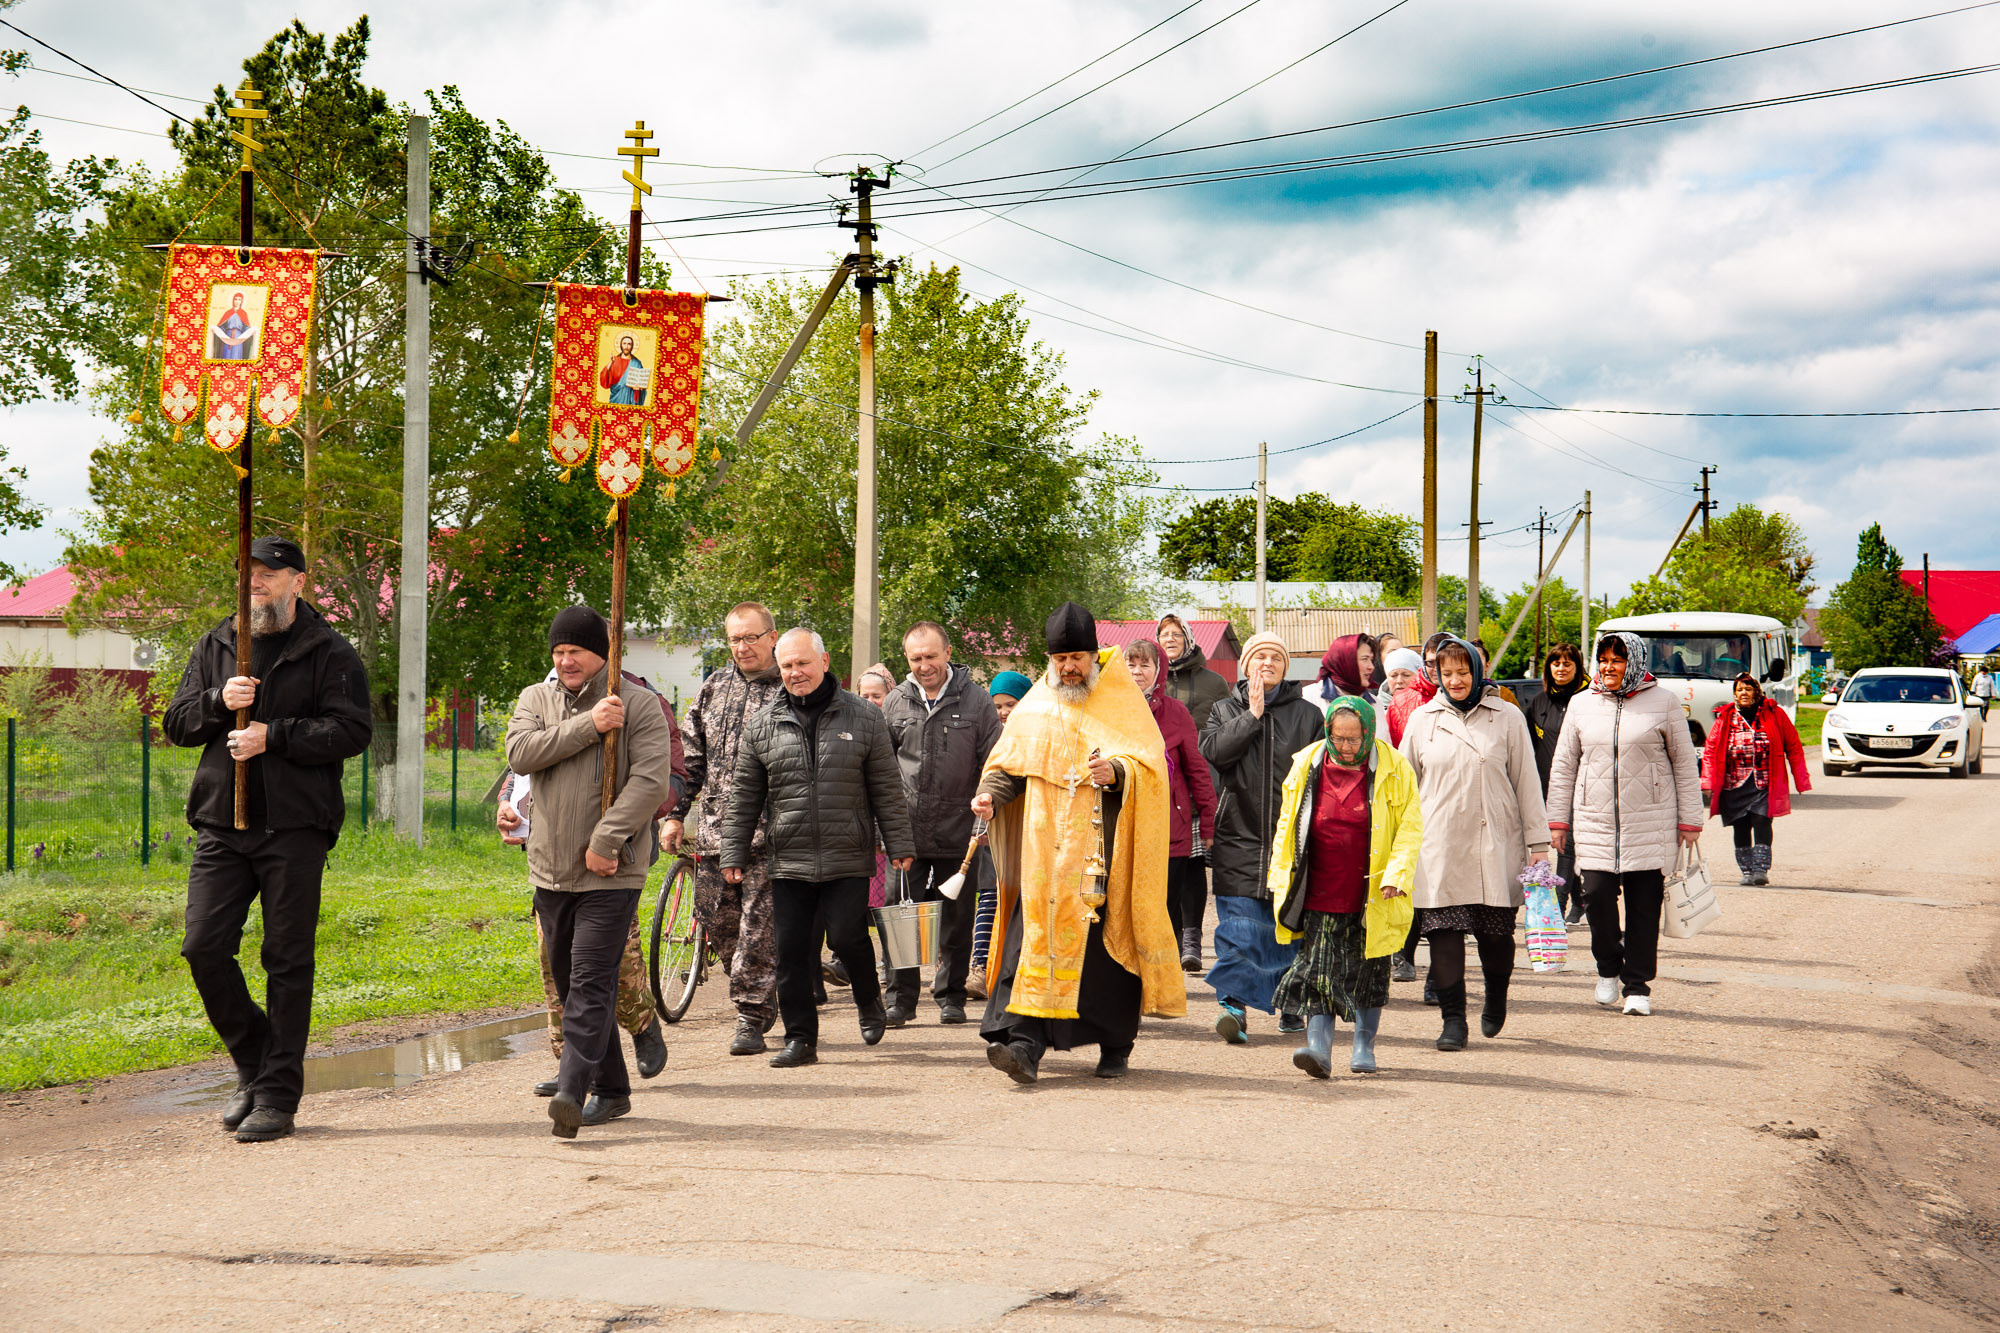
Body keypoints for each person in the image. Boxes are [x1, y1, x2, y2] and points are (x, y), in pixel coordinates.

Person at [163, 535, 372, 1143]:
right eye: (248, 573)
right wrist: (215, 700)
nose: (256, 582)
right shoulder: (217, 644)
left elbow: (351, 730)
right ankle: (256, 1062)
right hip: (222, 826)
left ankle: (278, 1096)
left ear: (298, 582)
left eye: (269, 573)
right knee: (202, 947)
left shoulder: (330, 652)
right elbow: (177, 723)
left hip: (295, 828)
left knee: (286, 960)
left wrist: (271, 735)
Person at [970, 603, 1185, 1083]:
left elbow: (1150, 769)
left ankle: (1115, 1046)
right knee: (1031, 945)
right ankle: (1024, 1045)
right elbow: (1010, 764)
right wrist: (990, 794)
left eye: (1077, 657)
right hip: (1043, 859)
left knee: (1104, 961)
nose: (1069, 667)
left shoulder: (1121, 700)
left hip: (1100, 858)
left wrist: (1117, 771)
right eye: (1060, 658)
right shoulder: (1039, 703)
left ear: (1093, 655)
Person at [505, 605, 677, 1137]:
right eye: (557, 652)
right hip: (549, 870)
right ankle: (614, 1089)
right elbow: (520, 753)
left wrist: (607, 839)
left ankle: (572, 1092)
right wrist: (589, 725)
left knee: (590, 982)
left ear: (602, 652)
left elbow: (651, 782)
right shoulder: (536, 698)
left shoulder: (641, 705)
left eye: (575, 651)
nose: (565, 661)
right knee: (567, 979)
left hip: (611, 871)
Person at [721, 629, 914, 1068]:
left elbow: (886, 787)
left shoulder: (864, 717)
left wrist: (899, 842)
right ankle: (801, 1039)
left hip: (847, 852)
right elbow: (745, 795)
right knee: (793, 952)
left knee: (847, 936)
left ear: (824, 662)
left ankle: (869, 1000)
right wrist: (733, 852)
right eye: (786, 665)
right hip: (788, 857)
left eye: (802, 663)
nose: (795, 673)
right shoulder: (763, 724)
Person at [1399, 635, 1548, 1050]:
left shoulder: (1507, 716)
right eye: (1446, 673)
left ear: (1477, 672)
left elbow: (1527, 782)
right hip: (1439, 845)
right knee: (1443, 932)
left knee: (1495, 937)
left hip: (1495, 842)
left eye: (1463, 672)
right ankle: (1453, 1020)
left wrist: (1538, 842)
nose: (1456, 680)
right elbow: (1402, 787)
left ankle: (1496, 996)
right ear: (1436, 675)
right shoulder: (1422, 719)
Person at [1546, 632, 1705, 1017]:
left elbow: (1684, 765)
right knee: (1596, 897)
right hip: (1595, 821)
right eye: (1603, 659)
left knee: (1644, 908)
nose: (1609, 667)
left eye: (1617, 660)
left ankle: (1637, 985)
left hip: (1650, 822)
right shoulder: (1582, 704)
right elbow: (1565, 763)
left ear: (1634, 661)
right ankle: (1607, 967)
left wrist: (1690, 819)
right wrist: (1557, 819)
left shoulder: (1664, 702)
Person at [1267, 695, 1421, 1078]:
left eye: (1354, 739)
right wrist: (1280, 874)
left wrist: (1396, 875)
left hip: (1373, 890)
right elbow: (1287, 825)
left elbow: (1409, 828)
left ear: (1368, 734)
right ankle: (1319, 1049)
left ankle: (1363, 1047)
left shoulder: (1396, 767)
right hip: (1320, 886)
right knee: (1319, 970)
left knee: (1371, 971)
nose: (1345, 746)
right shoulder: (1307, 763)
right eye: (1338, 738)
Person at [665, 603, 784, 1056]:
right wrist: (676, 813)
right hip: (715, 832)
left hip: (770, 834)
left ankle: (750, 1017)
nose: (742, 647)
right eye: (735, 639)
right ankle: (761, 990)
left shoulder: (790, 687)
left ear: (771, 637)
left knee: (759, 927)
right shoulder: (715, 687)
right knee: (718, 922)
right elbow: (690, 758)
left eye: (751, 637)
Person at [1199, 630, 1322, 1043]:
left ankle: (1289, 1004)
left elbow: (1320, 779)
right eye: (1258, 656)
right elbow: (1214, 753)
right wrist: (1250, 715)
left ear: (1286, 668)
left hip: (1291, 842)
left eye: (1275, 657)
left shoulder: (1307, 715)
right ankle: (1233, 1006)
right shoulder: (1223, 709)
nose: (1266, 663)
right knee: (1238, 925)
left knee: (1284, 926)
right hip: (1238, 836)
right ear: (1245, 664)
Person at [881, 621, 1002, 1026]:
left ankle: (951, 996)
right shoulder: (895, 702)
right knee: (902, 917)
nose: (924, 665)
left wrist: (988, 804)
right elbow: (880, 767)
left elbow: (994, 761)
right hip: (906, 831)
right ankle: (901, 999)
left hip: (960, 830)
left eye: (931, 656)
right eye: (916, 658)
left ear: (948, 653)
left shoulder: (978, 701)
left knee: (956, 918)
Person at [1125, 639, 1218, 973]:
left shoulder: (1175, 713)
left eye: (1144, 665)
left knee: (1166, 908)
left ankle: (1165, 980)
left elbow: (1197, 771)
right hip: (1125, 826)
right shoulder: (1110, 709)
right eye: (1131, 664)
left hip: (1170, 829)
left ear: (1158, 670)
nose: (1136, 672)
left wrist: (1208, 822)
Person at [1702, 673, 1811, 885]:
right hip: (1734, 783)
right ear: (1734, 693)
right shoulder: (1726, 717)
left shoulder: (1774, 714)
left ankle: (1761, 870)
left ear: (1756, 692)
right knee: (1740, 826)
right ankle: (1747, 871)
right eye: (1739, 690)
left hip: (1764, 781)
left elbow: (1794, 745)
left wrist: (1801, 778)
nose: (1744, 693)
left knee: (1762, 821)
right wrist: (1707, 782)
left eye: (1748, 689)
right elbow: (1710, 750)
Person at [1385, 633, 1449, 985]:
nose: (1439, 670)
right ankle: (1404, 955)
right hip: (1412, 801)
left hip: (1451, 804)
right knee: (1412, 880)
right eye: (1431, 662)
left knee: (1443, 888)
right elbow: (1396, 750)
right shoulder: (1404, 701)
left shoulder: (1468, 698)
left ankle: (1439, 971)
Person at [968, 669, 1033, 997]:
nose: (1005, 712)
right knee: (989, 896)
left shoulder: (1037, 733)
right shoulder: (990, 734)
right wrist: (980, 824)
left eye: (1011, 704)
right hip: (994, 827)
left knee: (1024, 900)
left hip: (1031, 829)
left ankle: (1018, 968)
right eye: (999, 706)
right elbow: (985, 780)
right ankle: (980, 966)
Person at [1524, 643, 1588, 923]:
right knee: (1560, 844)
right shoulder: (1538, 702)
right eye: (1556, 664)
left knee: (1565, 846)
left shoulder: (1588, 700)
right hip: (1544, 785)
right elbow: (1528, 745)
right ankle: (1582, 900)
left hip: (1578, 785)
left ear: (1577, 667)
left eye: (1567, 664)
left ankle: (1557, 912)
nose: (1561, 669)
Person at [1157, 613, 1229, 732]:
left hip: (1201, 750)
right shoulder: (1150, 681)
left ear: (1187, 639)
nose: (1170, 639)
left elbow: (1227, 728)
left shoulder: (1215, 682)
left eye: (1177, 634)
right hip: (1159, 750)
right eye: (1164, 635)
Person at [1315, 633, 1377, 703]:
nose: (1371, 667)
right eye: (1364, 659)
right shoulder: (1310, 699)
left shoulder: (1375, 704)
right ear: (1345, 661)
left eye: (1371, 660)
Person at [599, 334, 649, 405]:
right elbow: (604, 380)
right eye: (624, 343)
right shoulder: (614, 360)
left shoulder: (637, 363)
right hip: (616, 399)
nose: (626, 346)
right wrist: (610, 363)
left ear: (632, 346)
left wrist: (638, 390)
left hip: (630, 400)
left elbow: (642, 385)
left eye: (629, 344)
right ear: (621, 345)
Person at [1376, 647, 1422, 715]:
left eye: (1406, 675)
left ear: (1418, 677)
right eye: (1393, 676)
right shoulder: (1376, 709)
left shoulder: (1427, 706)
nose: (1399, 681)